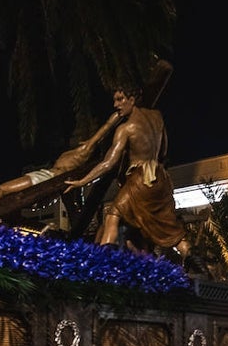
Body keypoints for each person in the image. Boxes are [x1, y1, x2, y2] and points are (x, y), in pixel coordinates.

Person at [65, 86, 195, 263]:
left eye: (120, 99)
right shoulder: (157, 116)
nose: (115, 105)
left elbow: (108, 163)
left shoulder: (125, 129)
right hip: (160, 179)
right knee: (169, 229)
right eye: (115, 100)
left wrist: (83, 181)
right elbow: (164, 149)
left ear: (132, 100)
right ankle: (193, 260)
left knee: (112, 215)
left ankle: (104, 264)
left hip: (140, 178)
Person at [0, 111, 123, 210]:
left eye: (78, 131)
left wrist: (118, 115)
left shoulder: (84, 150)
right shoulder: (75, 153)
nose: (75, 134)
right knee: (4, 195)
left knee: (0, 190)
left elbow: (105, 128)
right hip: (47, 177)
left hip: (47, 178)